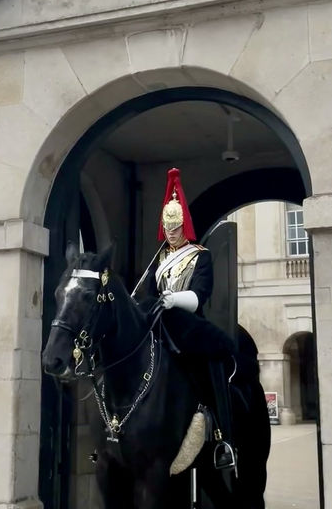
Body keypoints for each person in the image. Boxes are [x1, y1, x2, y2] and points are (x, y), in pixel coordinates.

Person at [139, 167, 236, 470]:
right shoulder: (159, 260)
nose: (170, 231)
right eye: (167, 226)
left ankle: (222, 433)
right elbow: (149, 292)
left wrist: (173, 299)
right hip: (159, 319)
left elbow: (199, 295)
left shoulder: (200, 255)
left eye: (176, 226)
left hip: (188, 320)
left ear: (185, 226)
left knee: (213, 354)